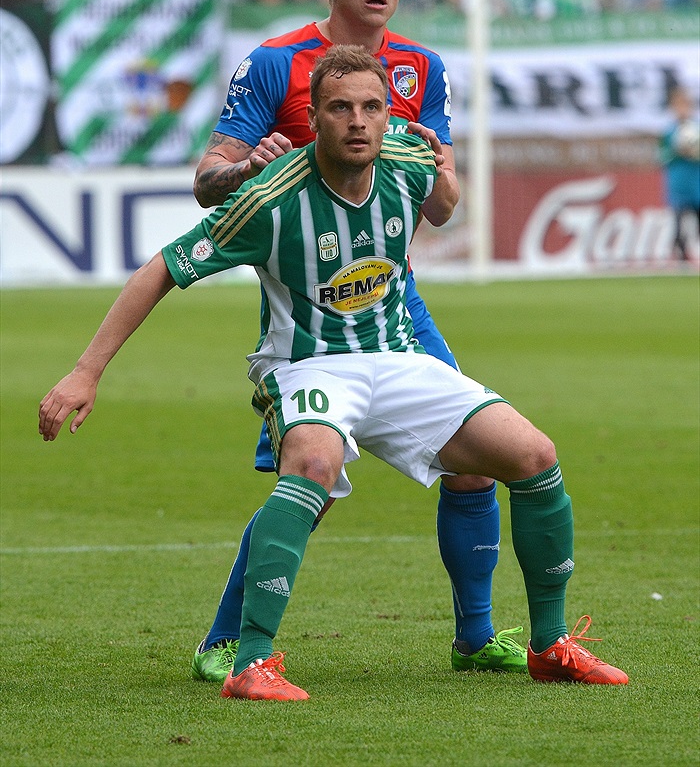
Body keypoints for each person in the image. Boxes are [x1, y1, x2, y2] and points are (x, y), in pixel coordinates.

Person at [39, 45, 629, 701]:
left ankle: (549, 645)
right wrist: (84, 373)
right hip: (306, 364)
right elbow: (164, 267)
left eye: (372, 108)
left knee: (534, 454)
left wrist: (446, 166)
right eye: (340, 108)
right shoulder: (269, 196)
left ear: (388, 117)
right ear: (314, 118)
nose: (358, 121)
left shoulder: (407, 160)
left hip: (398, 357)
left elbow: (445, 203)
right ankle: (251, 663)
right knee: (313, 468)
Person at [189, 0, 526, 683]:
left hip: (395, 300)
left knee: (476, 464)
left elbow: (441, 209)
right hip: (308, 304)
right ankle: (223, 641)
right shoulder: (276, 63)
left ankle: (474, 638)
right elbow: (208, 180)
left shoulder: (423, 68)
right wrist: (244, 168)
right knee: (312, 484)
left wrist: (441, 170)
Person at [659, 85, 700, 262]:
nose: (683, 110)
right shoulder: (669, 132)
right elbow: (662, 157)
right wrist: (676, 152)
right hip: (678, 182)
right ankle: (681, 256)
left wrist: (694, 153)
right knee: (679, 221)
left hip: (696, 181)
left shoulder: (696, 129)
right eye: (679, 106)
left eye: (686, 105)